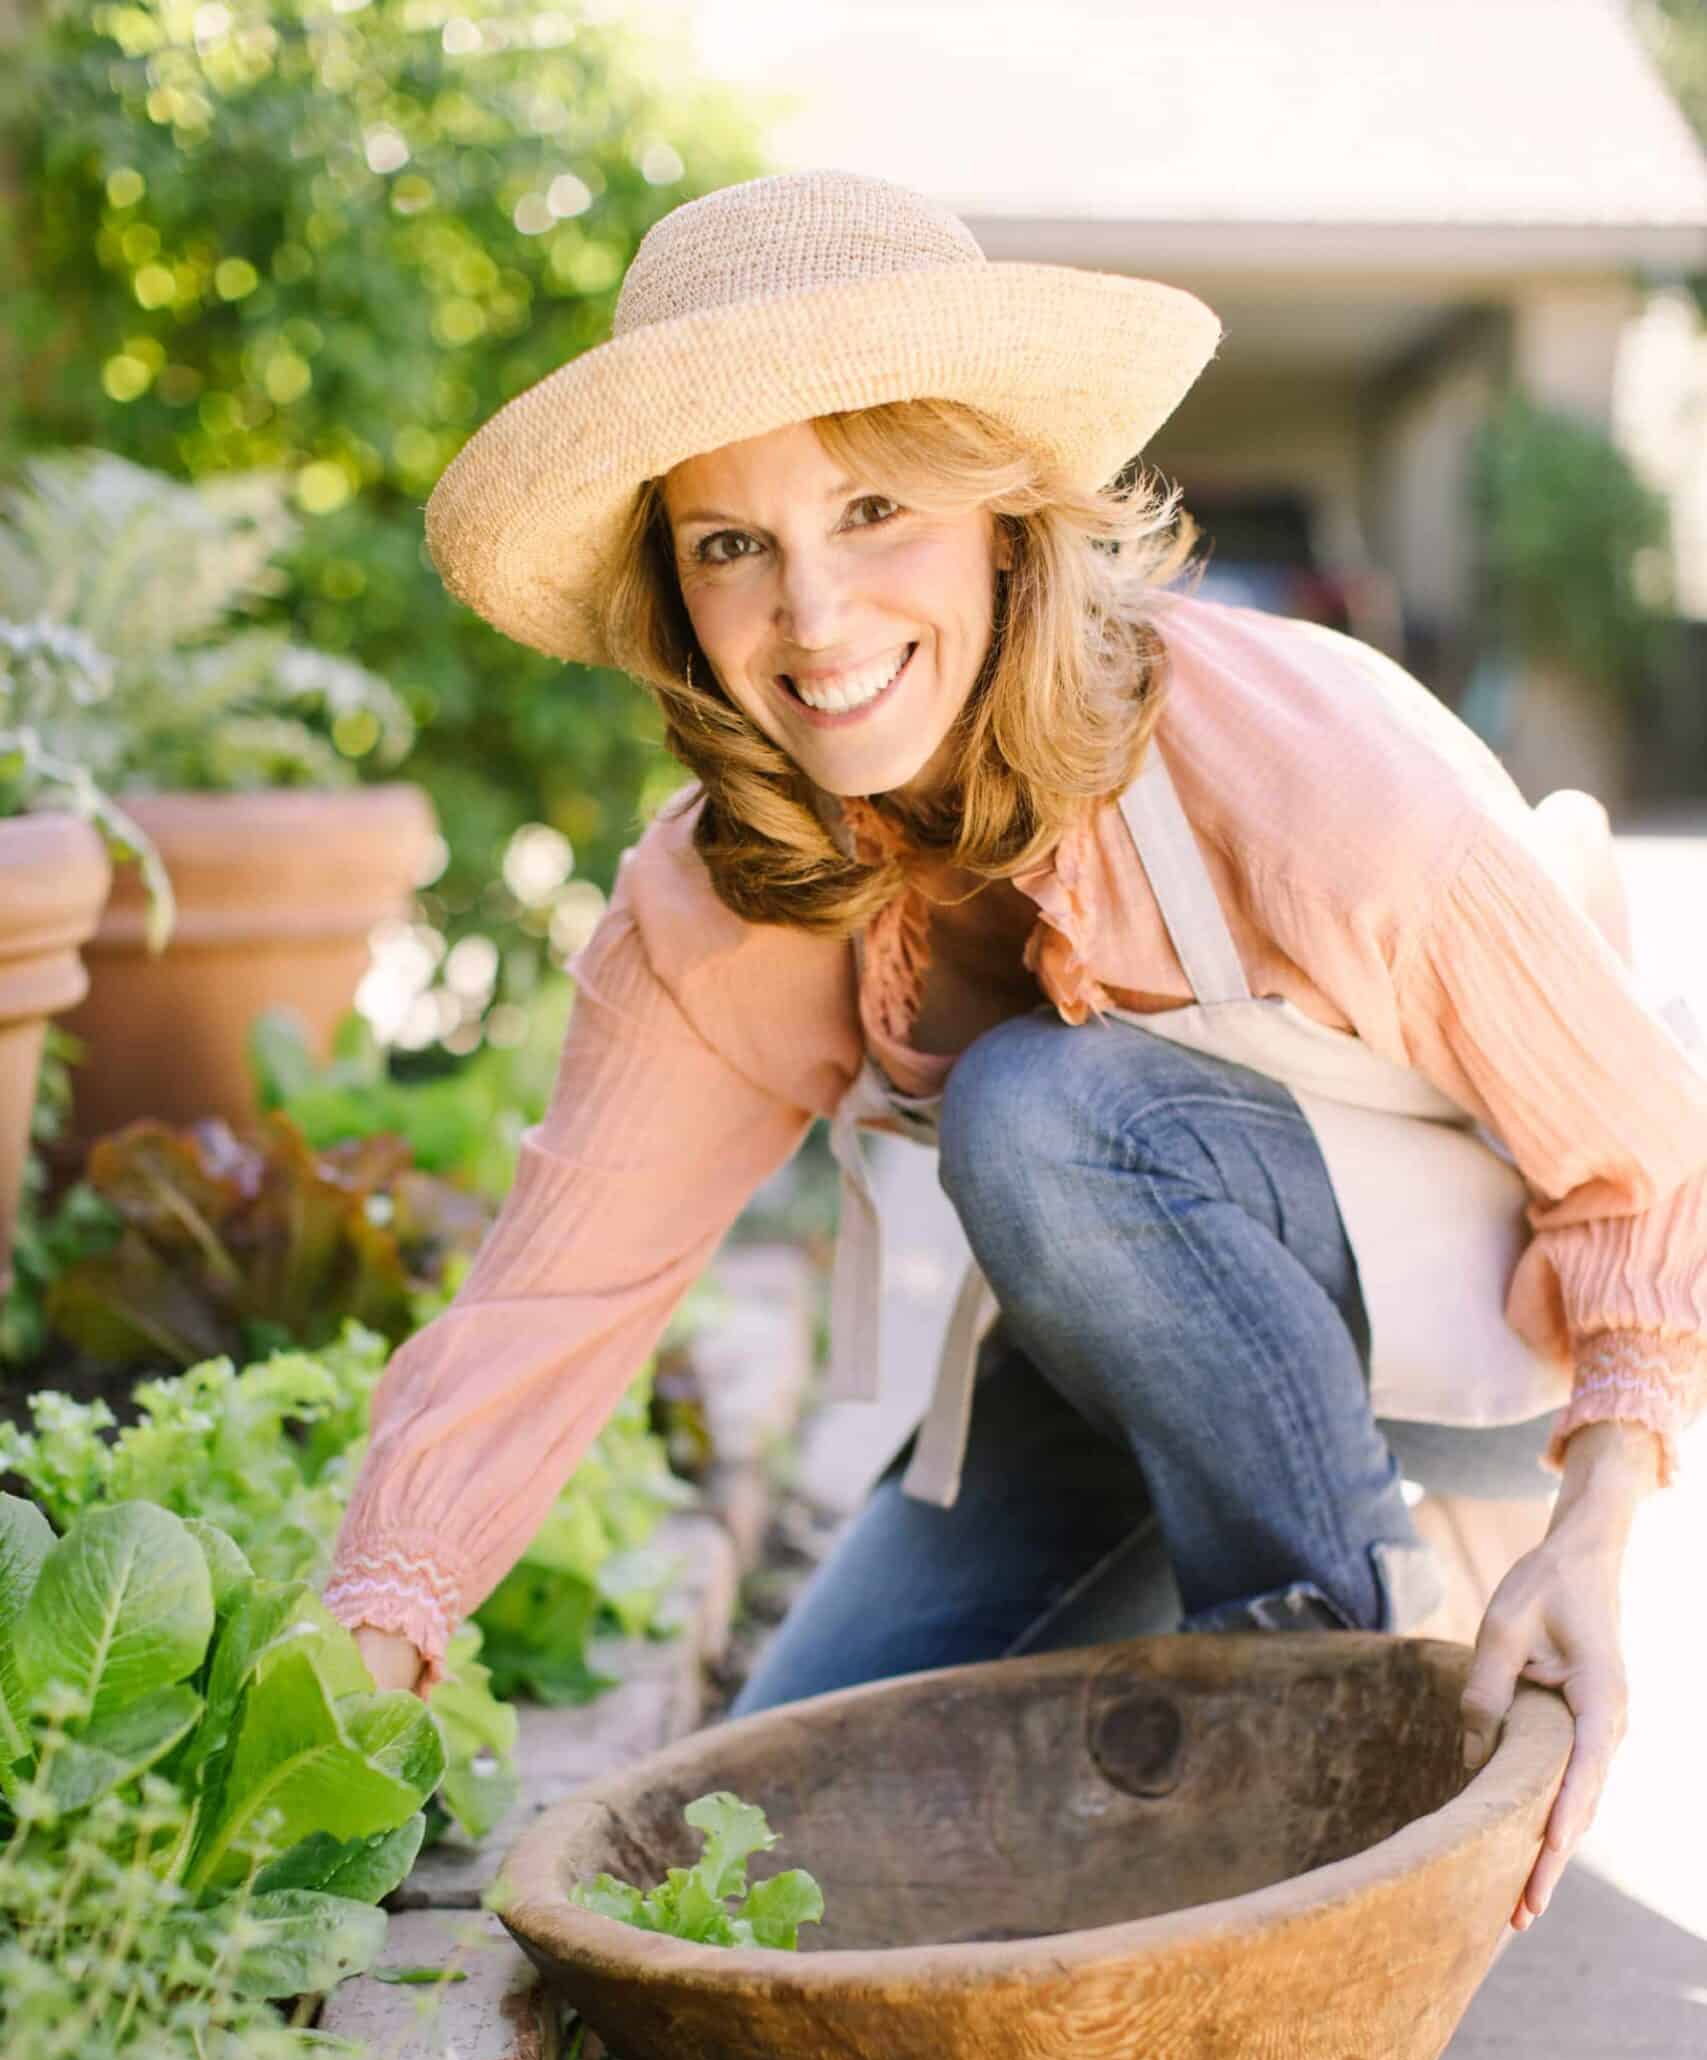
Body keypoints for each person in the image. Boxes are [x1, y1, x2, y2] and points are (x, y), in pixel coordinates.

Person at [323, 169, 1707, 1938]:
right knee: (748, 1864)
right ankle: (1253, 1675)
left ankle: (1354, 1697)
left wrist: (1595, 1533)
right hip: (1116, 1366)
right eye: (729, 544)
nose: (812, 620)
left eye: (874, 504)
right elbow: (546, 1310)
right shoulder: (727, 902)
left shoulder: (1306, 775)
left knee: (1045, 1106)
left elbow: (1652, 1167)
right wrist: (358, 1658)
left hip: (1477, 1356)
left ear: (999, 515)